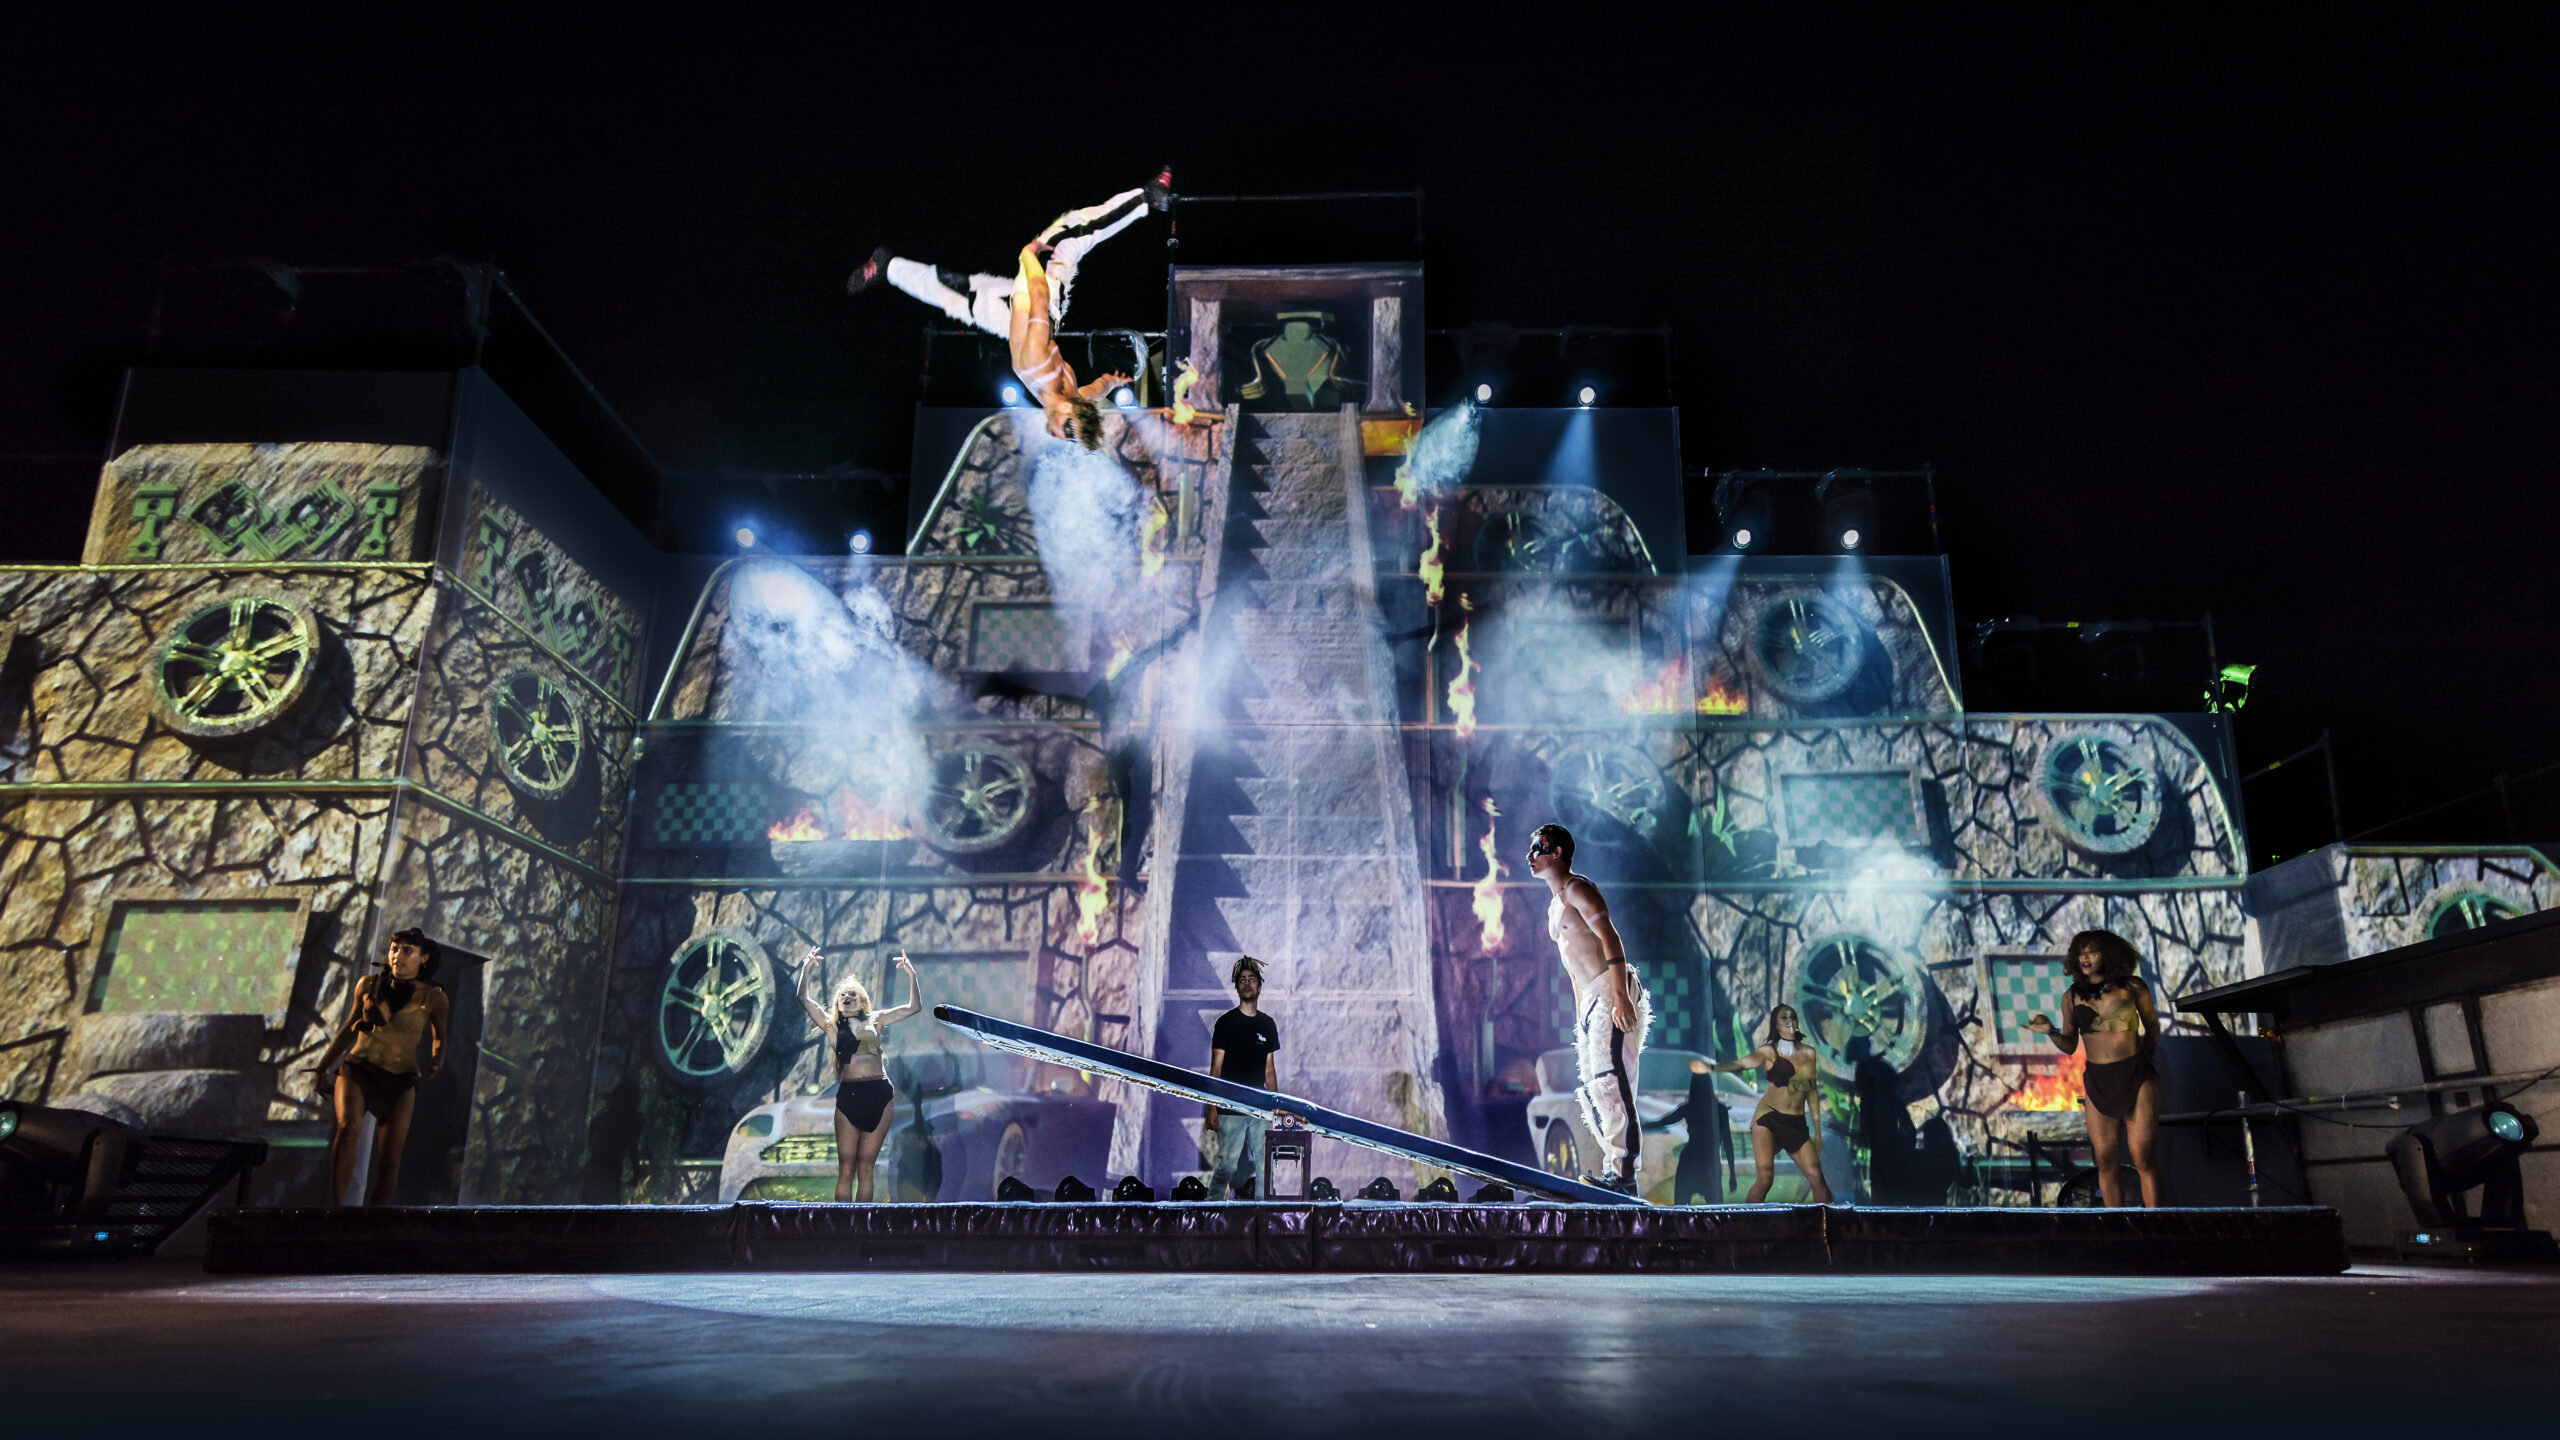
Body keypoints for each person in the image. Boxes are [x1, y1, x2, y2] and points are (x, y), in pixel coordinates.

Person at [848, 170, 1173, 450]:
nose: (1062, 437)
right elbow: (1039, 297)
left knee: (958, 297)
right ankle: (1147, 197)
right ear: (1070, 412)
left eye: (1069, 436)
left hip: (1016, 317)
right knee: (1078, 229)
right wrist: (1028, 255)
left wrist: (1113, 382)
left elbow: (1097, 388)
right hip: (1041, 287)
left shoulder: (1074, 398)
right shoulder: (1038, 364)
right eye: (1069, 432)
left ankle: (886, 266)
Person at [1528, 822, 1650, 1194]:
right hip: (1592, 997)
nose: (1530, 856)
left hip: (1611, 987)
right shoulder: (1554, 905)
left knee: (1610, 1079)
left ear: (1557, 852)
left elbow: (1609, 937)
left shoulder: (1578, 888)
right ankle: (1615, 1170)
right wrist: (1581, 1012)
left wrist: (1620, 995)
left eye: (1538, 847)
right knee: (1597, 1084)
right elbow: (1570, 964)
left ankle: (1624, 1174)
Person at [2027, 928, 2164, 1207]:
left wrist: (2144, 1060)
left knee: (2143, 1156)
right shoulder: (2071, 997)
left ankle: (2157, 1225)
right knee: (2105, 1159)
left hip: (2136, 1075)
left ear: (2109, 954)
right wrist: (2051, 1030)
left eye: (2092, 951)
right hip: (2099, 1080)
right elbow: (2069, 1044)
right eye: (2081, 953)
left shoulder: (2134, 987)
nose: (2085, 957)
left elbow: (2153, 1028)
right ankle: (2116, 1228)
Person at [313, 927, 450, 1206]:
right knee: (348, 1127)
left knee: (389, 1161)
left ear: (423, 958)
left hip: (400, 1081)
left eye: (406, 951)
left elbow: (440, 1037)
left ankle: (373, 1225)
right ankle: (336, 1210)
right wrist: (323, 1066)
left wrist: (436, 1063)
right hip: (358, 1070)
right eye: (394, 949)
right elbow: (350, 1027)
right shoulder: (368, 984)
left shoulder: (433, 997)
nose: (397, 956)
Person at [794, 947, 923, 1202]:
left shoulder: (875, 1019)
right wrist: (806, 969)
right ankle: (842, 1228)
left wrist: (911, 975)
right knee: (846, 1169)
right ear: (837, 1002)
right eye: (842, 995)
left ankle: (860, 1227)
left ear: (862, 1001)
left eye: (852, 994)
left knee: (866, 1169)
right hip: (849, 1097)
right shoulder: (831, 1025)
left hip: (879, 1093)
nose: (846, 997)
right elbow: (804, 999)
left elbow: (914, 1007)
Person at [1708, 1003, 1833, 1204]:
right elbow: (1742, 1063)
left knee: (1817, 1178)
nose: (1789, 1020)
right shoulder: (1768, 1052)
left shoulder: (1809, 1054)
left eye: (1792, 1017)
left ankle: (1830, 1227)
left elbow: (1812, 1091)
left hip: (1796, 1125)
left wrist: (1817, 1132)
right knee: (1765, 1178)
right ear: (1776, 1025)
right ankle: (1745, 1223)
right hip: (1769, 1119)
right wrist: (1711, 1068)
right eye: (1784, 1017)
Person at [1203, 954, 1279, 1199]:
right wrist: (1212, 1108)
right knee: (1227, 1167)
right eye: (1242, 979)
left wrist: (1276, 1108)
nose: (1247, 983)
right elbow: (1215, 1069)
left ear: (1259, 985)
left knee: (1265, 1168)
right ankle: (1208, 1217)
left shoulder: (1267, 1024)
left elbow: (1269, 1070)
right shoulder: (1225, 1023)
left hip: (1259, 1109)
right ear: (1237, 986)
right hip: (1230, 1107)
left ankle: (1264, 1218)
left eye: (1252, 979)